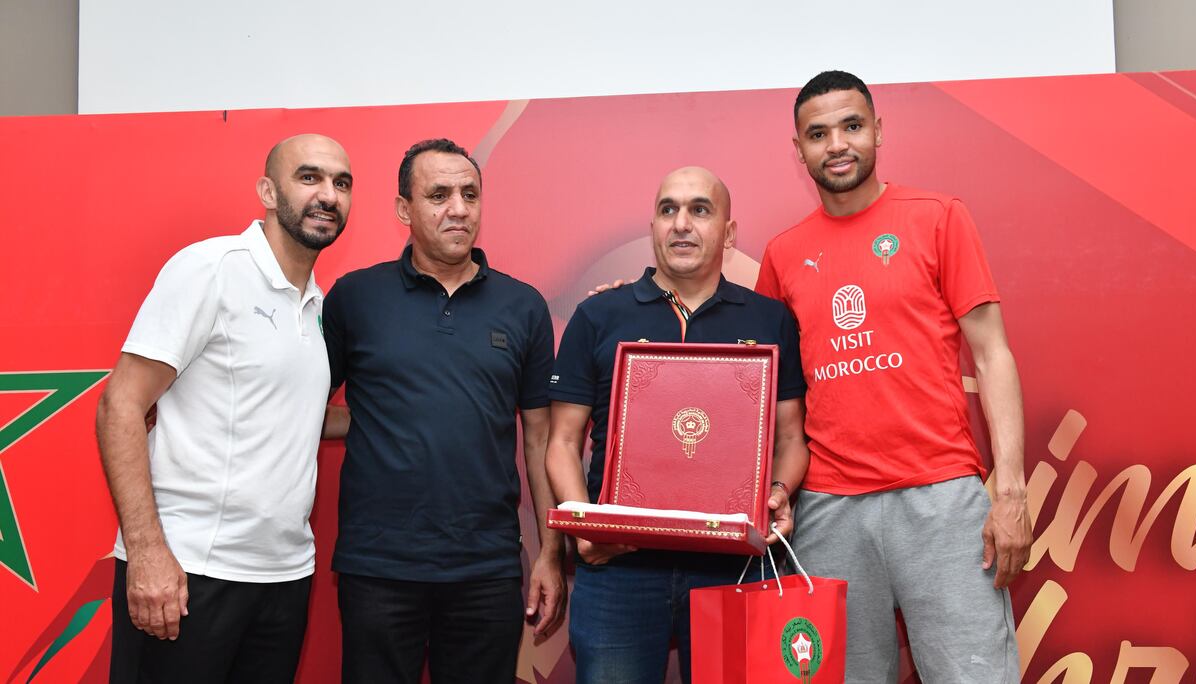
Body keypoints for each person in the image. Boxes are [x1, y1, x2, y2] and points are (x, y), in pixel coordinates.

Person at [755, 70, 1033, 682]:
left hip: (941, 498)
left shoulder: (939, 217)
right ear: (798, 149)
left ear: (878, 130)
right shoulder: (782, 255)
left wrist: (1011, 492)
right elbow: (767, 393)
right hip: (827, 510)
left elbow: (993, 355)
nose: (837, 144)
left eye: (852, 126)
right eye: (818, 134)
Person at [96, 133, 354, 682]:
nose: (328, 195)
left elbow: (292, 413)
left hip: (284, 575)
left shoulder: (316, 302)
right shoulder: (211, 269)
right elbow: (120, 403)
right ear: (268, 191)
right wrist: (147, 553)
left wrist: (405, 419)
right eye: (309, 177)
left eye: (341, 182)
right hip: (188, 572)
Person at [546, 166, 810, 684]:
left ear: (729, 234)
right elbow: (562, 441)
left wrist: (778, 493)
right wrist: (585, 529)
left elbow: (790, 439)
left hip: (733, 569)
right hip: (619, 571)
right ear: (653, 228)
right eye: (668, 210)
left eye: (699, 210)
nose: (681, 223)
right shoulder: (599, 315)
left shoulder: (769, 319)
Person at [322, 138, 565, 684]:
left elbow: (540, 439)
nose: (458, 208)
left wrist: (551, 553)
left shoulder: (523, 306)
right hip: (378, 566)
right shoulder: (354, 297)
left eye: (469, 194)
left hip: (486, 568)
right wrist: (378, 419)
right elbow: (303, 408)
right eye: (438, 195)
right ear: (403, 209)